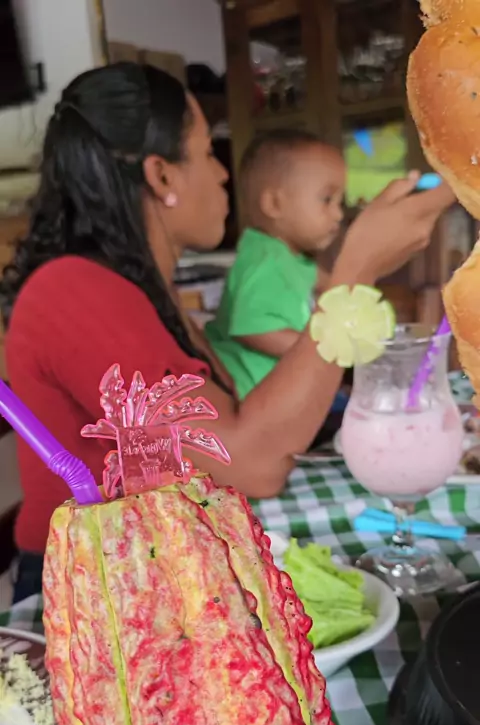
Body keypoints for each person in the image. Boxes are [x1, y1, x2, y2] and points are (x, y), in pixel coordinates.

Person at [1, 62, 454, 602]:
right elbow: (252, 464)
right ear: (162, 176)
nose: (223, 174)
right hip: (88, 594)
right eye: (207, 152)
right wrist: (354, 273)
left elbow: (247, 434)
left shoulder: (145, 292)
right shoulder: (76, 292)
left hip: (159, 566)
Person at [205, 129, 347, 399]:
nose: (338, 214)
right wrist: (321, 350)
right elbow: (255, 330)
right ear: (274, 204)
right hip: (250, 399)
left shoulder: (290, 256)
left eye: (340, 202)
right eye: (326, 200)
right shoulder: (265, 260)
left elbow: (332, 285)